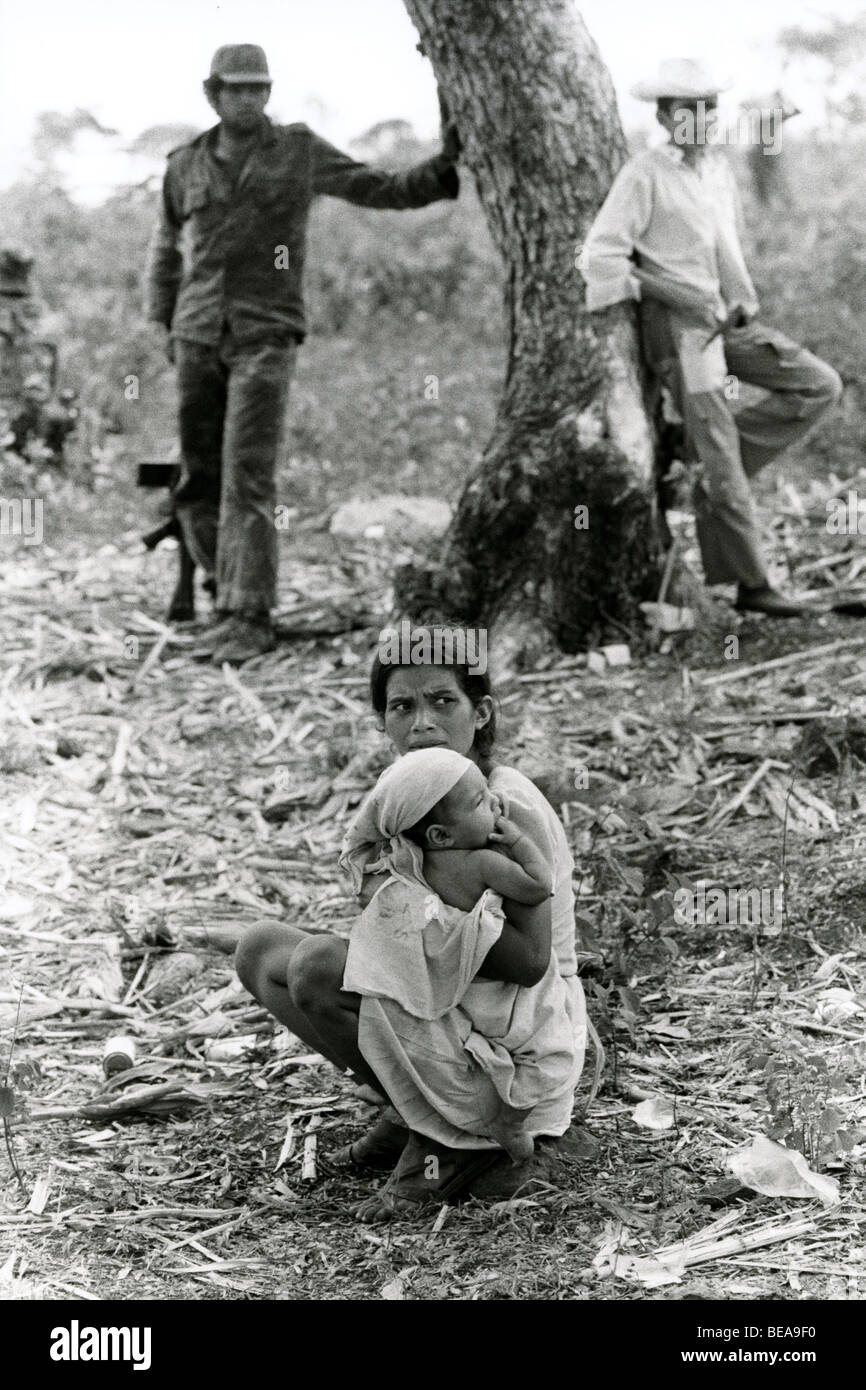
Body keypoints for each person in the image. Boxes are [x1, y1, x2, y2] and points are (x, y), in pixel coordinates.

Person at [235, 630, 588, 1217]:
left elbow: (516, 962)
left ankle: (454, 1139)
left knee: (319, 967)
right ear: (384, 725)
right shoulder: (415, 807)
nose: (423, 722)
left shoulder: (498, 808)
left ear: (482, 713)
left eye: (443, 701)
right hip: (446, 989)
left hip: (516, 1015)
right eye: (402, 706)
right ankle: (415, 1107)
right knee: (261, 951)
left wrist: (402, 917)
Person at [145, 45, 461, 664]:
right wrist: (164, 322)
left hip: (265, 333)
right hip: (197, 334)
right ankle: (220, 590)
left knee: (248, 473)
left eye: (258, 88)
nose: (248, 99)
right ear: (212, 94)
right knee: (200, 476)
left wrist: (447, 163)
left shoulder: (297, 151)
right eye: (235, 89)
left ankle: (248, 613)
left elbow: (381, 187)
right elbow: (165, 250)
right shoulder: (184, 166)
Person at [580, 57, 843, 618]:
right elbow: (599, 255)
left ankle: (696, 465)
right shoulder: (643, 175)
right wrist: (669, 291)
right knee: (720, 455)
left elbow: (723, 245)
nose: (700, 120)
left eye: (707, 109)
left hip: (728, 321)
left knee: (818, 386)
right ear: (665, 116)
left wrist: (738, 300)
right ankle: (752, 584)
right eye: (687, 111)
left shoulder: (715, 169)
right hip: (680, 332)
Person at [341, 747, 578, 1162]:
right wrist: (521, 839)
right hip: (502, 1001)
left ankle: (427, 1107)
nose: (496, 802)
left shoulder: (405, 867)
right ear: (440, 836)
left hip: (450, 1000)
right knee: (546, 1046)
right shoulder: (483, 862)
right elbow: (538, 887)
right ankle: (505, 1118)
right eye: (480, 802)